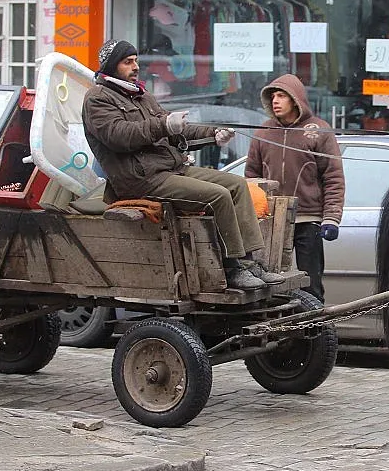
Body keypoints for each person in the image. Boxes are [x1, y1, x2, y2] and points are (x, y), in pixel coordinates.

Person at [81, 39, 283, 290]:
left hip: (170, 169)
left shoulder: (141, 95)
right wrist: (163, 126)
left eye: (136, 61)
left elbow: (177, 129)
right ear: (112, 66)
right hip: (140, 179)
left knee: (237, 184)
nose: (135, 67)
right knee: (217, 196)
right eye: (127, 62)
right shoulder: (97, 99)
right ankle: (232, 268)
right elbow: (120, 136)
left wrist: (214, 133)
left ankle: (249, 262)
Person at [245, 74, 345, 302]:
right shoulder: (263, 132)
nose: (275, 101)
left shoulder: (319, 130)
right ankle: (280, 334)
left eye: (281, 96)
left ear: (295, 99)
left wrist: (331, 218)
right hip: (271, 222)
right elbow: (251, 176)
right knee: (272, 285)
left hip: (307, 220)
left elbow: (334, 178)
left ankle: (313, 335)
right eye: (272, 97)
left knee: (310, 286)